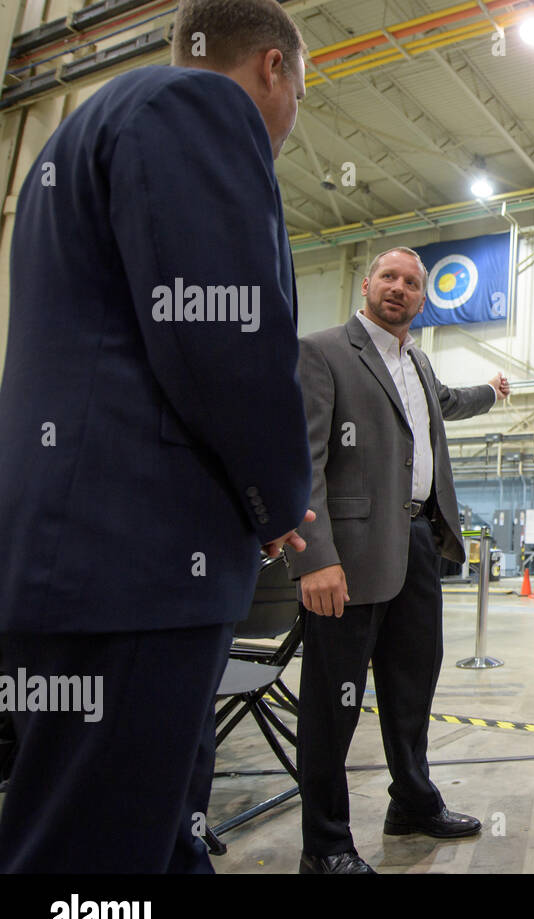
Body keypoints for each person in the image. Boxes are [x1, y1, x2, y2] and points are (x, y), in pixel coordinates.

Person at [0, 0, 314, 873]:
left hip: (73, 561)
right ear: (274, 69)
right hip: (135, 565)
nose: (288, 123)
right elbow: (226, 337)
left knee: (153, 830)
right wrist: (279, 496)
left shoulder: (72, 142)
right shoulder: (196, 106)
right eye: (299, 95)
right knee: (89, 865)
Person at [288, 247, 509, 874]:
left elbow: (452, 402)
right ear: (366, 284)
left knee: (412, 687)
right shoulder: (323, 351)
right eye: (389, 277)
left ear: (421, 299)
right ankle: (325, 843)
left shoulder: (416, 360)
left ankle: (412, 801)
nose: (400, 288)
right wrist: (316, 559)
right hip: (349, 555)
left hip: (418, 543)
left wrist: (492, 393)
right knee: (334, 704)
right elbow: (304, 461)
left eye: (412, 283)